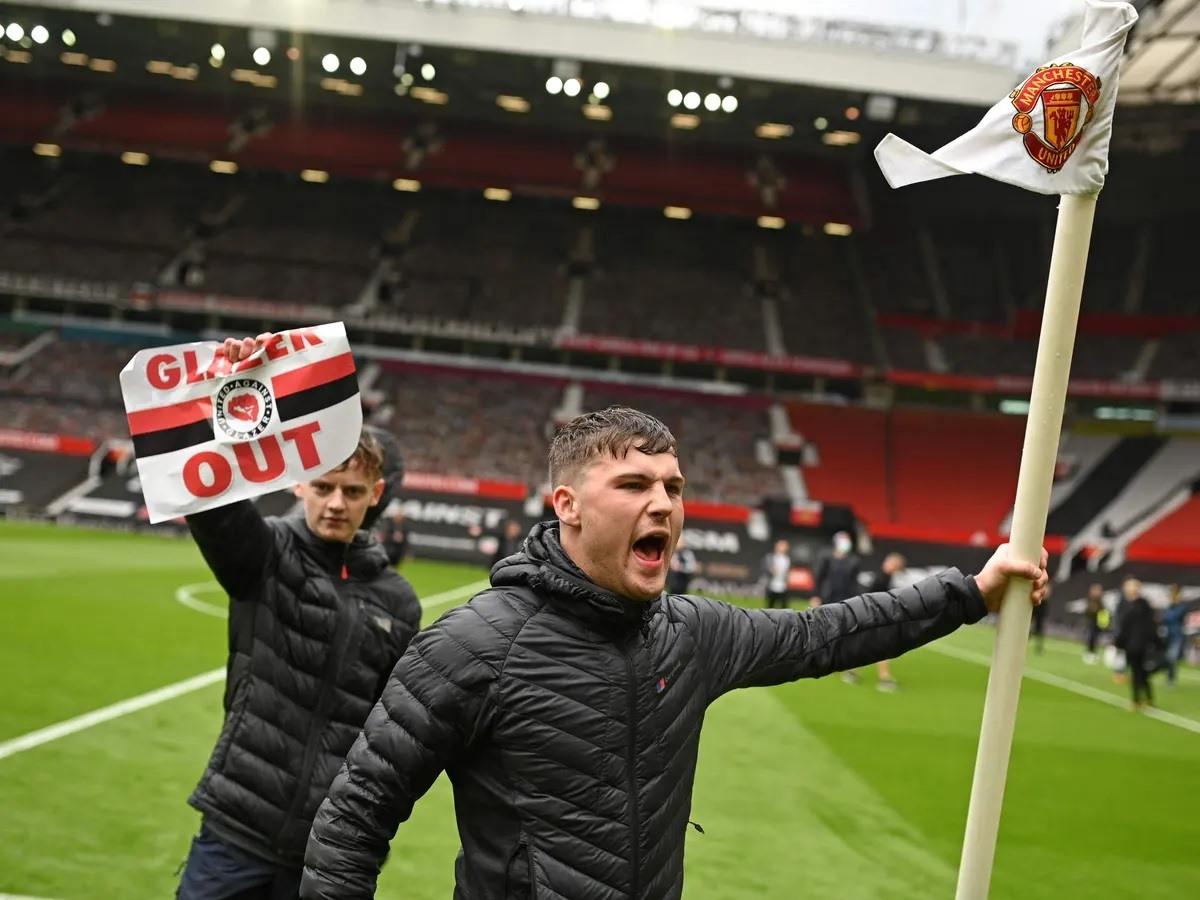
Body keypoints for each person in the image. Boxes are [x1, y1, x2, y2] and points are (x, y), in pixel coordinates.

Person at [300, 406, 1048, 900]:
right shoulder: (473, 644)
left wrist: (970, 592)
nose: (663, 502)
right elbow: (355, 815)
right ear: (568, 507)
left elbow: (829, 634)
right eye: (633, 484)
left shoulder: (691, 633)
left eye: (673, 486)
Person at [176, 335, 422, 900]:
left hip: (331, 847)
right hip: (237, 828)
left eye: (352, 491)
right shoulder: (265, 556)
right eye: (324, 487)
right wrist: (223, 390)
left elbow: (395, 730)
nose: (336, 503)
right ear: (298, 484)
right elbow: (208, 496)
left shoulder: (399, 600)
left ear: (375, 495)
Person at [843, 551, 907, 691]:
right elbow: (875, 599)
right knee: (882, 648)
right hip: (874, 617)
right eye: (897, 565)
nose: (897, 569)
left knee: (870, 647)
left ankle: (852, 672)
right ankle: (883, 678)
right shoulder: (882, 578)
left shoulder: (885, 577)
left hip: (874, 616)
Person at [1114, 577, 1160, 712]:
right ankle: (1149, 699)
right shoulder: (1146, 606)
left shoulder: (1130, 608)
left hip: (1133, 646)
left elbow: (1125, 629)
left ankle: (1136, 701)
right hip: (1143, 645)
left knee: (1136, 672)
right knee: (1143, 672)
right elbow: (1152, 627)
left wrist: (1118, 643)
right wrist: (1157, 643)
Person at [1163, 583, 1188, 687]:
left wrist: (1172, 606)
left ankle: (1171, 678)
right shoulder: (1170, 605)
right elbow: (1165, 617)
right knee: (1168, 657)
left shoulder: (1181, 606)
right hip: (1168, 634)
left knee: (1172, 657)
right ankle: (1169, 677)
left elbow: (1171, 617)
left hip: (1177, 635)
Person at [761, 538, 791, 609]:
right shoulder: (770, 557)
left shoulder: (787, 559)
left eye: (785, 546)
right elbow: (764, 568)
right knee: (770, 606)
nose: (783, 547)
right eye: (781, 545)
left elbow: (787, 572)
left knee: (784, 607)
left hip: (783, 586)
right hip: (772, 585)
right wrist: (771, 570)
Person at [1082, 582, 1104, 664]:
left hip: (1098, 623)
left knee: (1096, 638)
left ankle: (1093, 653)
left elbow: (1102, 612)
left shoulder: (1100, 601)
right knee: (1091, 637)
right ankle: (1089, 653)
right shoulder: (1089, 600)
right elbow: (1087, 611)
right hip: (1091, 622)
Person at [1030, 581, 1050, 655]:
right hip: (1034, 604)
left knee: (1039, 628)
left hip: (1041, 605)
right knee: (1028, 625)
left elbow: (1047, 593)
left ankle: (1039, 647)